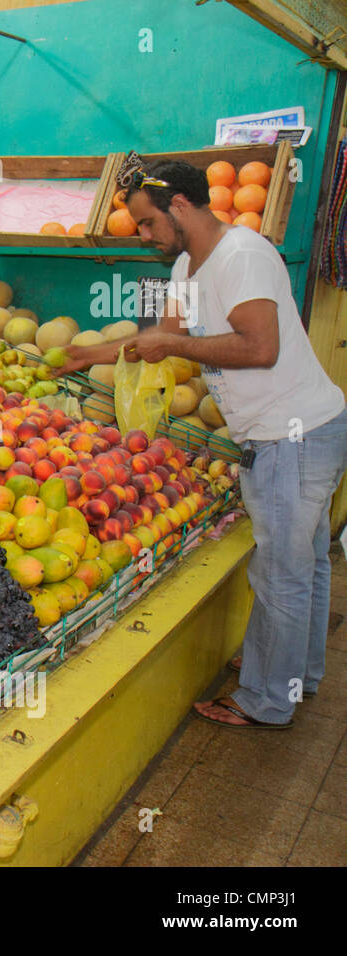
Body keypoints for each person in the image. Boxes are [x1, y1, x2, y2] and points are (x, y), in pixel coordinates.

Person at [59, 158, 347, 729]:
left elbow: (258, 348)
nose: (144, 236)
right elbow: (167, 334)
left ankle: (265, 700)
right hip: (294, 431)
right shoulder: (190, 264)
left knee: (282, 574)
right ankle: (296, 675)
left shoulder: (242, 257)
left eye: (147, 224)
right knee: (306, 565)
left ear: (181, 206)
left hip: (292, 435)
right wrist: (93, 354)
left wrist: (176, 350)